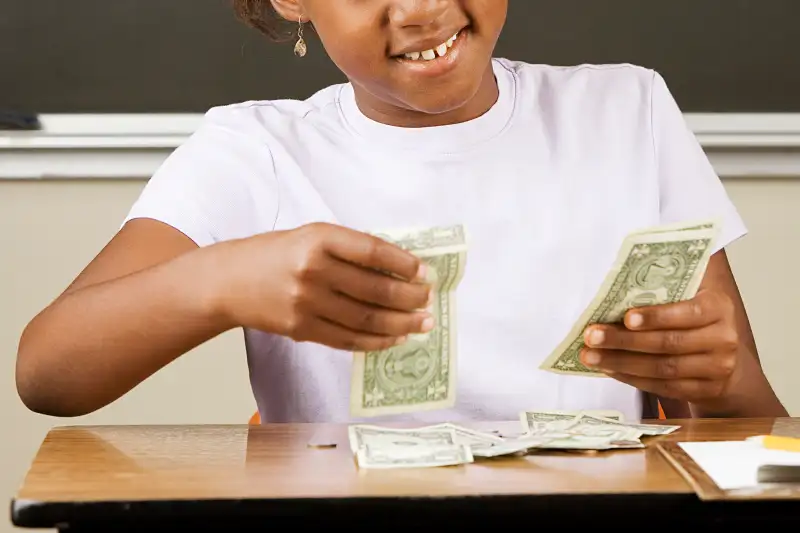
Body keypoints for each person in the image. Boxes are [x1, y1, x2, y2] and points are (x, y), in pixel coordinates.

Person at [15, 0, 787, 422]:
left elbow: (751, 421)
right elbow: (47, 373)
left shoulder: (629, 109)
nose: (421, 7)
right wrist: (220, 281)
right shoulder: (256, 151)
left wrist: (722, 383)